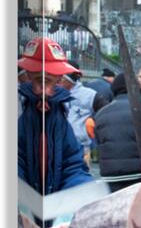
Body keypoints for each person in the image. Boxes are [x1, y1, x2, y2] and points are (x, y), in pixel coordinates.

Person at [17, 38, 93, 197]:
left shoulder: (56, 111)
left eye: (56, 82)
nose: (49, 91)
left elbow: (72, 165)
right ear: (25, 76)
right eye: (42, 81)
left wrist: (83, 191)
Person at [60, 68, 101, 167]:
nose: (58, 81)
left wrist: (92, 123)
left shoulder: (89, 94)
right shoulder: (54, 92)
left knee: (82, 175)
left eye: (62, 79)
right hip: (59, 144)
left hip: (82, 145)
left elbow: (105, 111)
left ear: (70, 80)